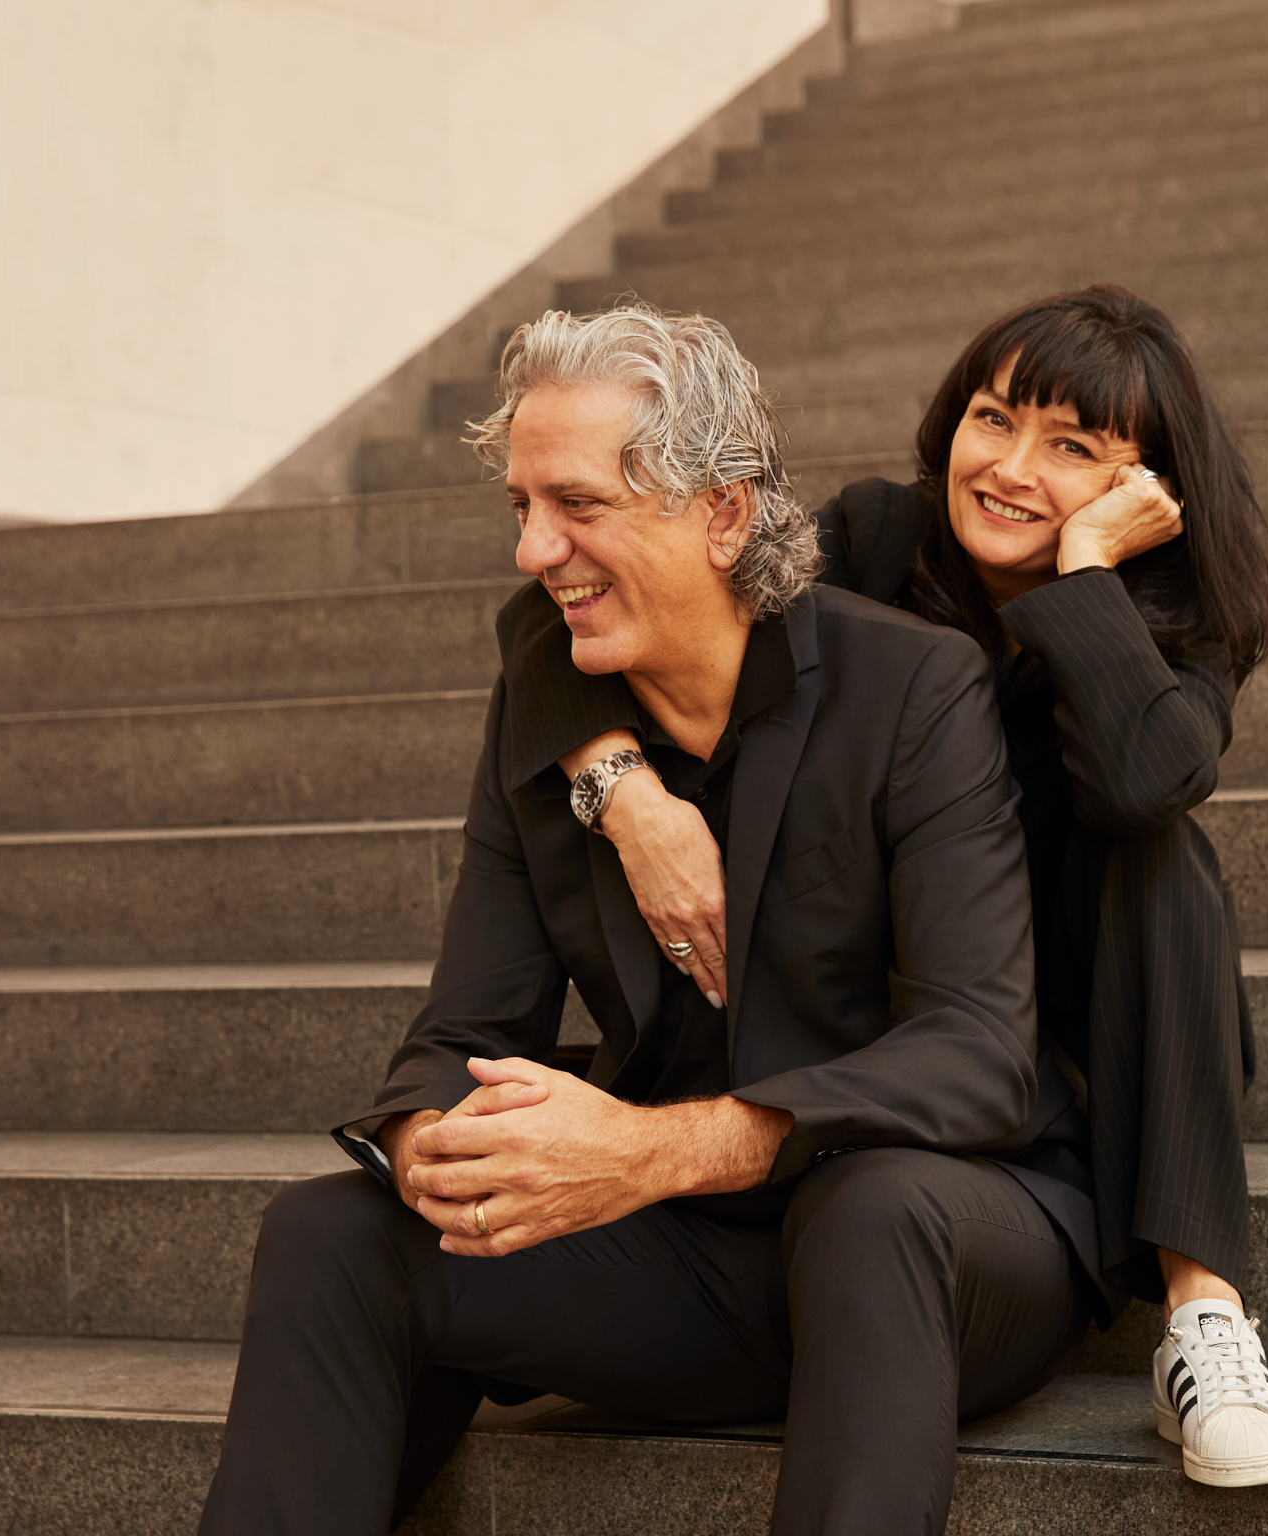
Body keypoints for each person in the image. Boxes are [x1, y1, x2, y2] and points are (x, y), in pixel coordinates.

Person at [197, 302, 1100, 1535]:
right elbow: (463, 1030)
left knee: (870, 1207)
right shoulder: (555, 716)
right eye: (521, 506)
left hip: (948, 1244)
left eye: (577, 503)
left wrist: (649, 1152)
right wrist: (437, 1150)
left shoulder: (913, 688)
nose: (534, 549)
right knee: (331, 1232)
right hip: (691, 1261)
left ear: (722, 512)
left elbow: (977, 1057)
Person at [528, 285, 1268, 1488]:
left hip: (1064, 1012)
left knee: (1165, 863)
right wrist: (625, 794)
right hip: (894, 970)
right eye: (993, 419)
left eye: (1072, 448)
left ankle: (1204, 1311)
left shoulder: (1174, 615)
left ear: (1142, 485)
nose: (1009, 468)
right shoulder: (878, 538)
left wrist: (1083, 577)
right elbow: (561, 617)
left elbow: (1148, 781)